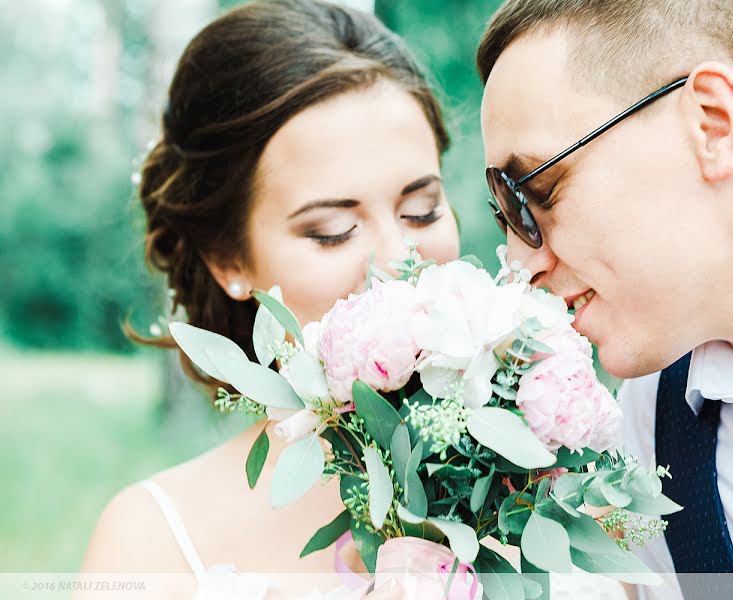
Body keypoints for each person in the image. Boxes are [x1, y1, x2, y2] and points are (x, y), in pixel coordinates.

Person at [478, 1, 733, 599]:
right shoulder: (643, 433)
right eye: (509, 217)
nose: (525, 264)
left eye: (535, 194)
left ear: (713, 122)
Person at [79, 1, 459, 597]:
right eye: (333, 229)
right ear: (228, 258)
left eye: (422, 210)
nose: (397, 263)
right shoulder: (151, 544)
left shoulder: (564, 476)